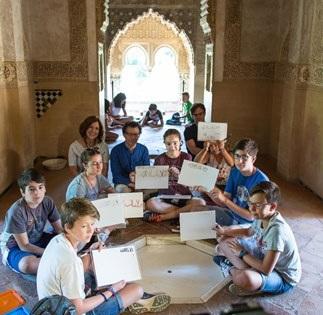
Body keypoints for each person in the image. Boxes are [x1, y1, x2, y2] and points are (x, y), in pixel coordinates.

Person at [37, 198, 171, 314]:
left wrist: (89, 251)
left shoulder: (58, 240)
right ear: (67, 227)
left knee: (92, 258)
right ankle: (136, 298)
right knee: (137, 289)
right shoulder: (70, 262)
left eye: (92, 224)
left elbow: (69, 269)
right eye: (84, 226)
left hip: (54, 303)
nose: (91, 230)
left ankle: (120, 295)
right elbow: (78, 309)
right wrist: (111, 291)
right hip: (69, 311)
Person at [213, 181, 302, 297]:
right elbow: (248, 232)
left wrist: (242, 253)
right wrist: (224, 231)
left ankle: (230, 268)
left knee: (245, 278)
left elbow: (266, 270)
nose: (252, 209)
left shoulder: (277, 231)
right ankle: (242, 269)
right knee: (224, 241)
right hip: (263, 257)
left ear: (273, 207)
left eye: (258, 205)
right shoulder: (261, 216)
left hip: (282, 277)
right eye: (251, 203)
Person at [0, 168, 62, 275]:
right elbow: (24, 245)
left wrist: (69, 242)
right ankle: (58, 264)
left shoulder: (47, 202)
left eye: (40, 187)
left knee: (76, 239)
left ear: (45, 189)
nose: (37, 192)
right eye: (31, 189)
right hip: (16, 247)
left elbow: (60, 230)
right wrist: (49, 253)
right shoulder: (16, 211)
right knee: (28, 265)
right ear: (22, 192)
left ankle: (54, 264)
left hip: (38, 238)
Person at [197, 138, 269, 226]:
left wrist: (225, 200)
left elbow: (251, 216)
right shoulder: (234, 172)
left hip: (247, 224)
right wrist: (207, 189)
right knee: (195, 209)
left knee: (200, 216)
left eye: (245, 157)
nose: (240, 161)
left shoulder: (262, 181)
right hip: (231, 214)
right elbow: (223, 203)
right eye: (237, 156)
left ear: (253, 159)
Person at [144, 129, 205, 222]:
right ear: (164, 143)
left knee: (201, 203)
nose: (172, 147)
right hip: (165, 196)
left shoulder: (187, 157)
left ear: (180, 142)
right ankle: (182, 213)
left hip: (184, 196)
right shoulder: (159, 159)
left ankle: (168, 215)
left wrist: (179, 175)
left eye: (175, 143)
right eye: (168, 144)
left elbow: (190, 183)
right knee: (150, 203)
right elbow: (155, 184)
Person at [110, 121, 150, 192]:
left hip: (140, 182)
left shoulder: (144, 149)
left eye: (135, 134)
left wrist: (139, 182)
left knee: (157, 190)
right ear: (124, 134)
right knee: (126, 191)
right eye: (129, 134)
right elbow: (116, 176)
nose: (132, 137)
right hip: (122, 183)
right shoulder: (115, 151)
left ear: (139, 135)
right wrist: (132, 185)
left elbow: (147, 171)